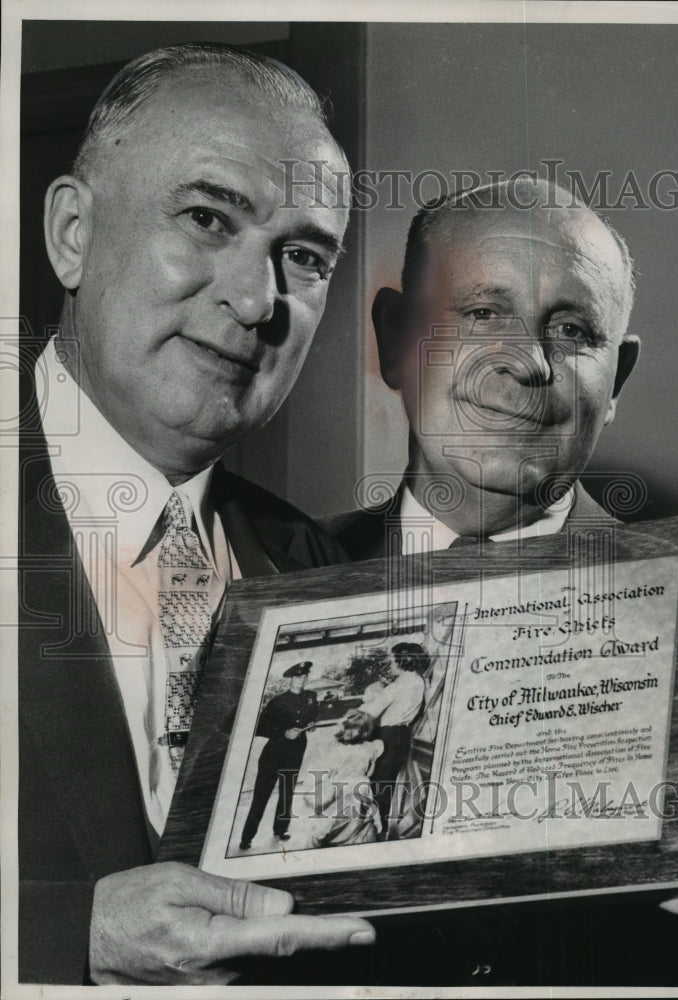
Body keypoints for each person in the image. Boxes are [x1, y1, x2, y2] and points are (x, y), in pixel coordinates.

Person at [320, 178, 678, 985]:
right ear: (393, 338)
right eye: (480, 314)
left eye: (572, 329)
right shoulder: (264, 582)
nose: (525, 361)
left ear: (616, 378)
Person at [18, 43, 375, 986]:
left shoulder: (320, 573)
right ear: (72, 234)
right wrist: (63, 940)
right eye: (208, 217)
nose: (256, 300)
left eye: (301, 256)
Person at [240, 661, 318, 849]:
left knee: (287, 791)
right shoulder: (277, 701)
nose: (302, 679)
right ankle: (247, 837)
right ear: (290, 679)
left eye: (305, 676)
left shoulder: (311, 697)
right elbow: (260, 726)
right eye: (298, 676)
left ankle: (281, 829)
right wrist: (284, 732)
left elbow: (314, 715)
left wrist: (312, 724)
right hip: (273, 753)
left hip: (296, 750)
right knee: (261, 794)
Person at [290, 709, 385, 849]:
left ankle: (319, 843)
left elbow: (330, 770)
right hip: (362, 784)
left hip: (340, 785)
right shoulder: (375, 746)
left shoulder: (338, 748)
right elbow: (370, 772)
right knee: (362, 816)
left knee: (328, 820)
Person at [361, 642, 429, 833]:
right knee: (386, 784)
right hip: (403, 736)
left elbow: (371, 712)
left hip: (388, 736)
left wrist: (360, 706)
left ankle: (372, 831)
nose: (390, 663)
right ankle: (378, 828)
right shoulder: (418, 680)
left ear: (402, 660)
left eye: (392, 659)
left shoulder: (400, 684)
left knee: (377, 784)